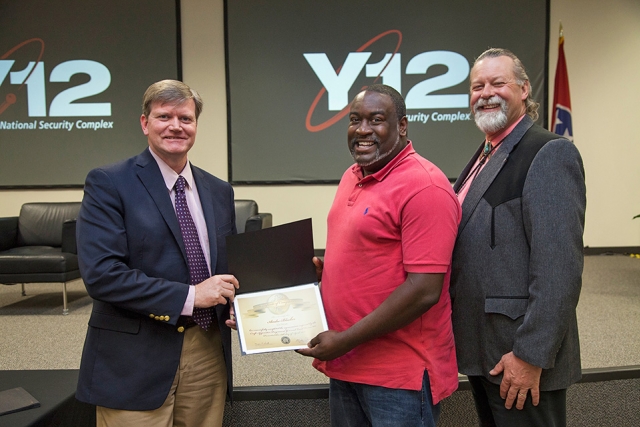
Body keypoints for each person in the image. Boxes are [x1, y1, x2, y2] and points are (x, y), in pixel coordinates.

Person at [75, 79, 239, 427]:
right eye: (164, 116)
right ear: (145, 123)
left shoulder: (219, 190)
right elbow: (103, 276)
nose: (176, 126)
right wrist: (192, 296)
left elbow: (228, 269)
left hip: (207, 349)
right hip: (136, 358)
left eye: (186, 118)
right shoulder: (109, 183)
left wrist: (246, 305)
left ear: (196, 125)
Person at [297, 84, 461, 427]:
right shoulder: (352, 175)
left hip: (398, 375)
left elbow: (424, 289)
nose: (362, 130)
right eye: (355, 119)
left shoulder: (424, 186)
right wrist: (326, 275)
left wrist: (343, 341)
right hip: (348, 364)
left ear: (402, 126)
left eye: (376, 119)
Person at [451, 48, 586, 426]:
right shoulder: (487, 152)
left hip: (520, 356)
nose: (486, 93)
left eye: (498, 83)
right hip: (486, 347)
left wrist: (529, 355)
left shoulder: (548, 153)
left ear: (525, 89)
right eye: (477, 86)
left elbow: (559, 270)